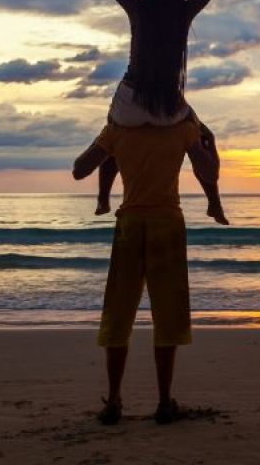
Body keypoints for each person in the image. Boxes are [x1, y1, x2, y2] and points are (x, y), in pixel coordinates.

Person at [73, 118, 227, 425]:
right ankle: (164, 402)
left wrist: (104, 142)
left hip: (130, 223)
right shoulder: (182, 123)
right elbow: (208, 172)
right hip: (167, 223)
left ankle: (114, 399)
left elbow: (79, 170)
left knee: (118, 313)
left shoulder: (119, 125)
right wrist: (212, 146)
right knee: (168, 316)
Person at [84, 0, 226, 223]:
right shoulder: (184, 13)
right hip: (169, 106)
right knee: (204, 137)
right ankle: (214, 202)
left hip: (130, 100)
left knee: (112, 134)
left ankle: (102, 199)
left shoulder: (138, 10)